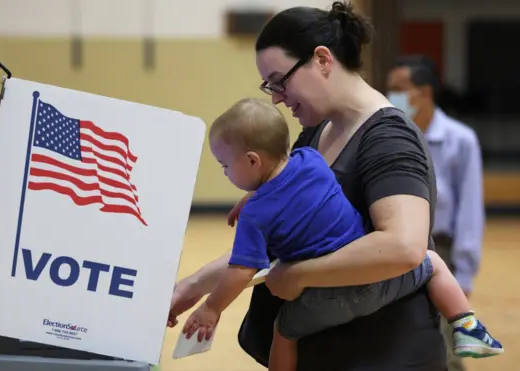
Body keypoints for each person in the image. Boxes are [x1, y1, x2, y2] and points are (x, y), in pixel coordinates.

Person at [167, 2, 445, 369]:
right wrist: (192, 286)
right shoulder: (315, 134)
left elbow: (403, 246)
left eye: (280, 81)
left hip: (384, 354)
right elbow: (272, 239)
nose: (276, 98)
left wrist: (296, 275)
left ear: (322, 60)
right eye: (269, 85)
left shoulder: (388, 137)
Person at [179, 97, 501, 371]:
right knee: (432, 261)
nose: (224, 172)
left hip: (327, 296)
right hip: (378, 277)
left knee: (284, 329)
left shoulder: (255, 216)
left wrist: (212, 308)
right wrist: (255, 193)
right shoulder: (312, 160)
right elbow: (286, 183)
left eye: (224, 165)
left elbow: (240, 271)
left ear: (252, 160)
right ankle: (467, 325)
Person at [387, 55, 487, 371]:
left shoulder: (460, 140)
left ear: (425, 92)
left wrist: (466, 270)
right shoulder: (390, 134)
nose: (393, 97)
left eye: (399, 89)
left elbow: (470, 209)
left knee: (446, 342)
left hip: (440, 252)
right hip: (394, 249)